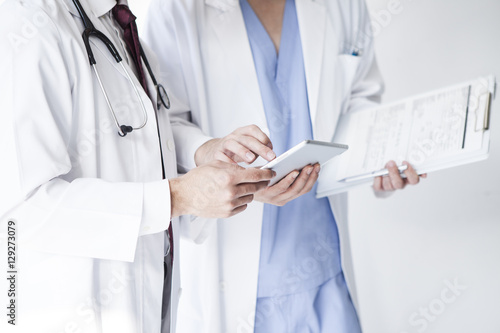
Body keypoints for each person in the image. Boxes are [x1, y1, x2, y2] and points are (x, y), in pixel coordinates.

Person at [144, 0, 425, 332]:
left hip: (327, 273)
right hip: (237, 279)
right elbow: (163, 125)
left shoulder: (342, 5)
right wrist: (206, 149)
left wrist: (376, 159)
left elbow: (361, 95)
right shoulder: (175, 13)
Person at [0, 0, 277, 332]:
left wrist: (206, 151)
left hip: (150, 297)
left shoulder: (118, 25)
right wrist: (178, 197)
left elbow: (139, 132)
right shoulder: (27, 21)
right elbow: (21, 211)